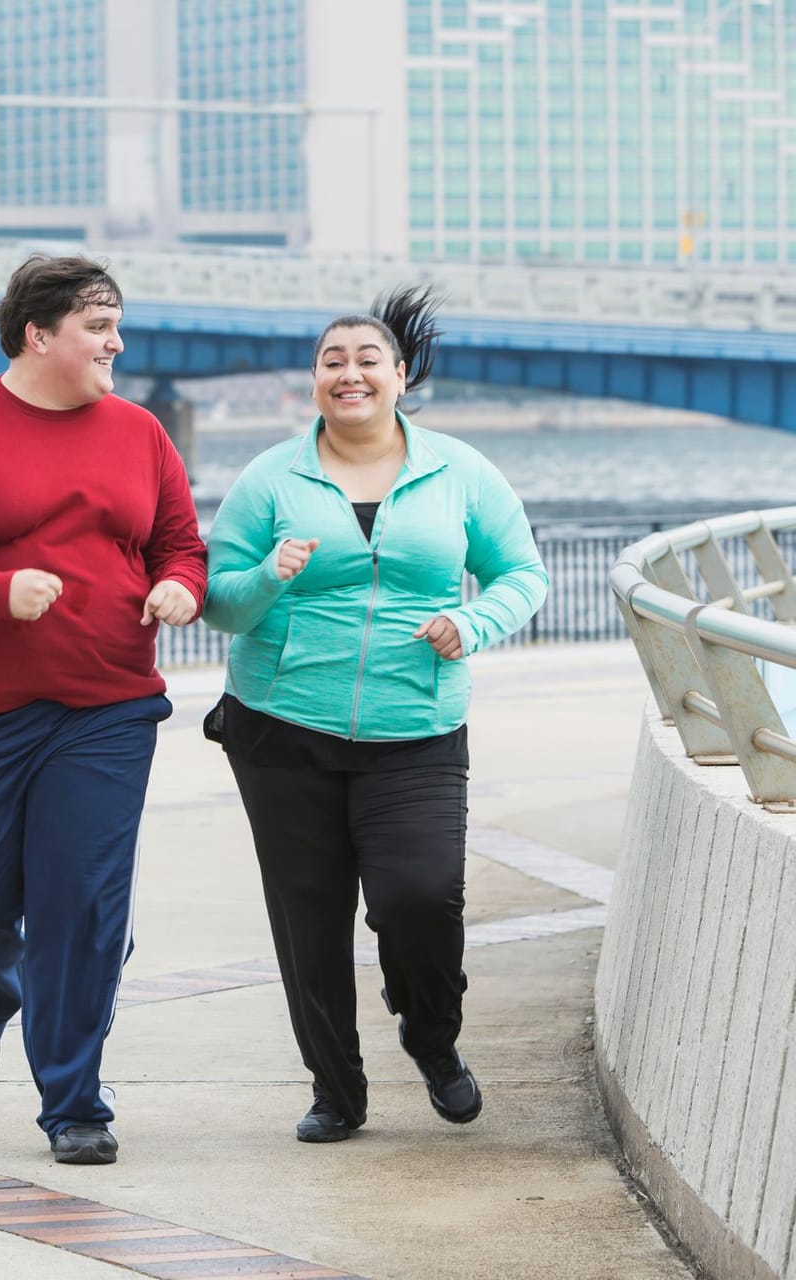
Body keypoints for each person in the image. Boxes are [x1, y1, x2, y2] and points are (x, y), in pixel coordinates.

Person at [0, 255, 207, 1165]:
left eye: (116, 324)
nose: (116, 343)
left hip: (106, 709)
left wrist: (178, 585)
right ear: (38, 334)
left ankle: (76, 1104)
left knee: (83, 908)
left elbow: (181, 543)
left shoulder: (140, 434)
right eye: (99, 326)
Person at [202, 286, 548, 1143]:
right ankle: (336, 1091)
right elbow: (220, 601)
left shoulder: (459, 471)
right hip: (282, 726)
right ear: (314, 382)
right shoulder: (271, 477)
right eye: (331, 361)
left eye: (366, 360)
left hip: (417, 729)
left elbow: (523, 576)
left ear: (401, 375)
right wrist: (269, 577)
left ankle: (433, 1040)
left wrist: (471, 622)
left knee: (422, 900)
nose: (348, 374)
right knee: (308, 915)